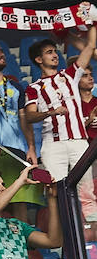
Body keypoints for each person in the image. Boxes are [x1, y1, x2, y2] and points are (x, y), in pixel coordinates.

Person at [23, 20, 97, 220]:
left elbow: (90, 46)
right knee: (57, 192)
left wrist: (90, 23)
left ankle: (92, 238)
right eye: (49, 52)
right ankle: (68, 240)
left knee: (87, 192)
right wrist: (50, 113)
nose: (55, 54)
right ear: (38, 59)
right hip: (53, 145)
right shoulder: (33, 88)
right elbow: (29, 116)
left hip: (79, 143)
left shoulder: (71, 75)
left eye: (55, 51)